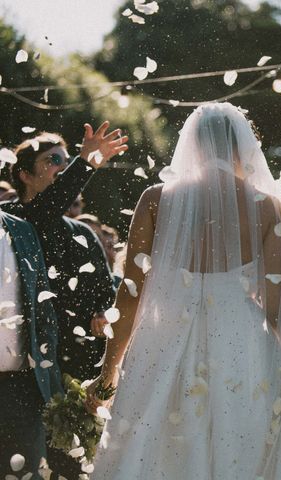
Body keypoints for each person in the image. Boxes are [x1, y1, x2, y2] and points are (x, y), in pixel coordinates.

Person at [86, 103, 281, 479]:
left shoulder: (156, 199)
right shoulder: (268, 207)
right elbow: (276, 305)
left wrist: (109, 369)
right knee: (236, 446)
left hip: (165, 338)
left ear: (192, 144)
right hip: (240, 343)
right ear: (243, 147)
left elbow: (130, 293)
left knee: (158, 447)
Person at [1, 125, 127, 478]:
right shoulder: (15, 222)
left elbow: (106, 294)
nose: (63, 165)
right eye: (52, 159)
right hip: (27, 368)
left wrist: (103, 312)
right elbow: (47, 208)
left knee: (74, 466)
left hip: (76, 366)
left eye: (66, 158)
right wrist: (85, 162)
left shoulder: (82, 233)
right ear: (25, 174)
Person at [0, 208, 62, 478]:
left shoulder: (22, 229)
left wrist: (49, 374)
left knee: (28, 470)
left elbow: (43, 308)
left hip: (22, 384)